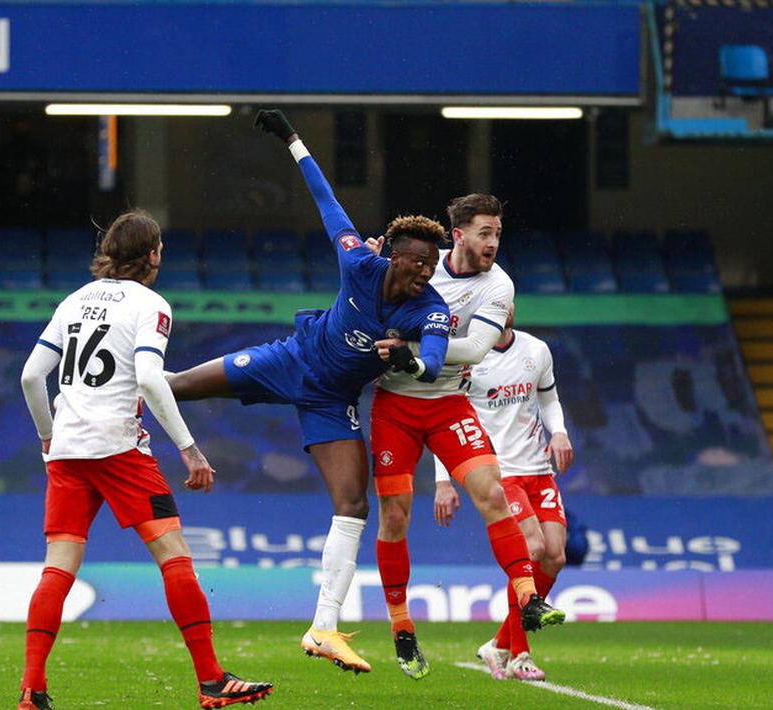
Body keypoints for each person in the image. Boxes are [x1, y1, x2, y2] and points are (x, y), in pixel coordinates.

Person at [167, 109, 451, 675]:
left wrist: (410, 359)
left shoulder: (431, 311)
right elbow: (328, 203)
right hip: (287, 359)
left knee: (353, 505)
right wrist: (293, 139)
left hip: (332, 403)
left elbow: (436, 360)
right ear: (394, 257)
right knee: (177, 386)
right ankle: (109, 404)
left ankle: (324, 628)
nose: (425, 272)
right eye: (418, 262)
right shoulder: (359, 263)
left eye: (432, 264)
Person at [16, 210, 273, 709]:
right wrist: (189, 448)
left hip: (68, 453)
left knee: (58, 568)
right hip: (118, 449)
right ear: (152, 253)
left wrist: (48, 437)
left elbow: (30, 376)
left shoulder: (74, 300)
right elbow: (151, 379)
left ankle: (32, 690)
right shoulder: (150, 304)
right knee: (173, 556)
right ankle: (212, 681)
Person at [369, 195, 565, 681]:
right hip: (394, 406)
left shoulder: (498, 286)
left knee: (492, 493)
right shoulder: (420, 267)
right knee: (394, 517)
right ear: (458, 235)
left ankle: (527, 598)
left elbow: (476, 347)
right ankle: (402, 628)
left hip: (448, 403)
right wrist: (371, 265)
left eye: (497, 233)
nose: (493, 243)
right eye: (484, 233)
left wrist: (407, 348)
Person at [432, 306, 574, 681]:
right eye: (494, 306)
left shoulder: (536, 350)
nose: (503, 311)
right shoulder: (465, 358)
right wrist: (443, 481)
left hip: (538, 470)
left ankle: (498, 644)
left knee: (555, 556)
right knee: (532, 548)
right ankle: (520, 655)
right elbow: (443, 420)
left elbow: (549, 399)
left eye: (506, 303)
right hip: (497, 472)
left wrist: (558, 431)